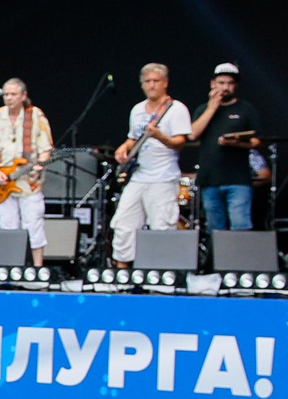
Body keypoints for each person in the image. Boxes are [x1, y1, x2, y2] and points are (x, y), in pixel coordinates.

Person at [109, 62, 192, 264]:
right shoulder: (137, 110)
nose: (152, 85)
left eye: (156, 81)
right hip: (138, 176)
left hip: (163, 177)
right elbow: (133, 138)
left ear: (165, 83)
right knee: (123, 224)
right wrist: (124, 147)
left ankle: (162, 279)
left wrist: (160, 137)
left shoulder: (176, 109)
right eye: (147, 81)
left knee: (161, 227)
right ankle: (121, 274)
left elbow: (181, 143)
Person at [0, 78, 54, 266]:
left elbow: (47, 147)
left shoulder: (35, 115)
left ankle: (37, 269)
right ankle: (10, 267)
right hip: (3, 181)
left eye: (13, 94)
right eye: (6, 94)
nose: (8, 98)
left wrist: (40, 165)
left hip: (28, 181)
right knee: (8, 226)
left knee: (33, 225)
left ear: (23, 96)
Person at [187, 62, 262, 231]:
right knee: (215, 228)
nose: (225, 87)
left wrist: (237, 143)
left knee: (240, 226)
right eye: (221, 83)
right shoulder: (203, 109)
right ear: (213, 84)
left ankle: (240, 258)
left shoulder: (246, 109)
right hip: (210, 179)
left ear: (235, 86)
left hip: (238, 179)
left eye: (230, 83)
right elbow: (192, 134)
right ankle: (217, 258)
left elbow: (257, 141)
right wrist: (212, 107)